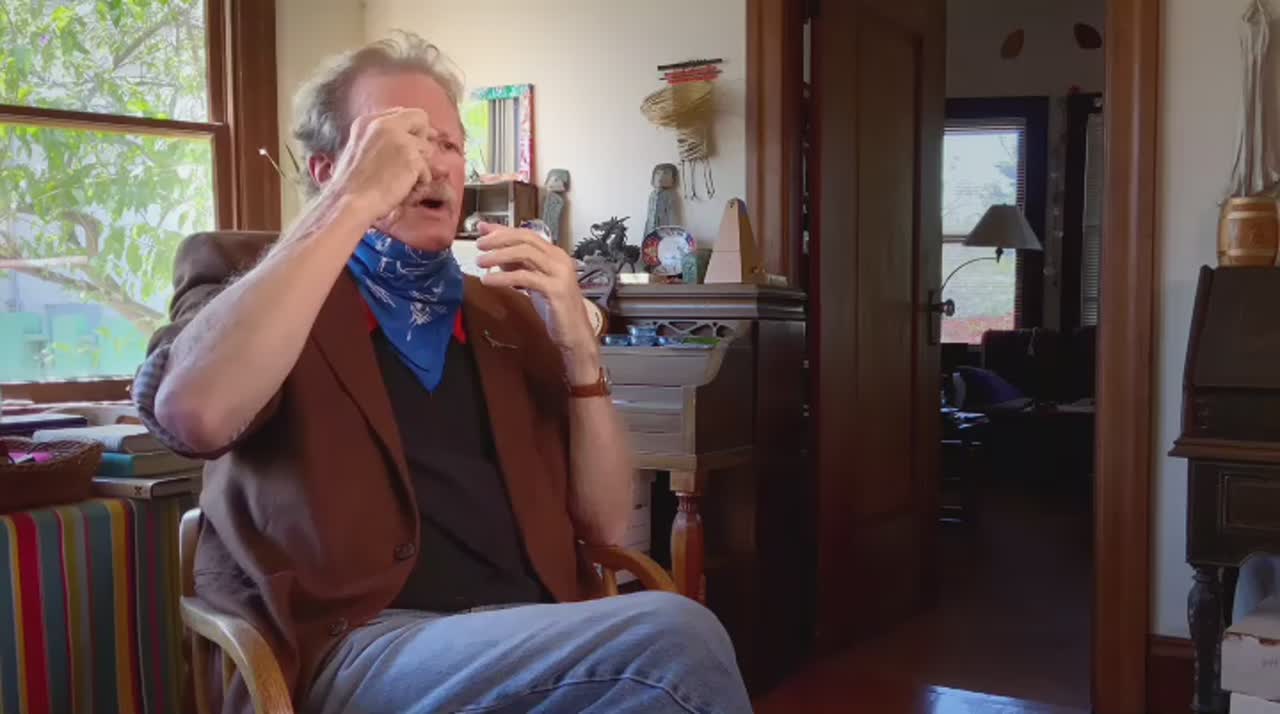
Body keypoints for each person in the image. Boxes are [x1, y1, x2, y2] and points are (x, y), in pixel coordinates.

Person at [133, 31, 750, 714]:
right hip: (359, 650)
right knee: (677, 639)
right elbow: (195, 414)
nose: (432, 165)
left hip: (530, 639)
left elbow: (604, 526)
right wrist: (349, 205)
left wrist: (579, 347)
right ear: (329, 169)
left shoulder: (505, 313)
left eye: (449, 145)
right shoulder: (249, 286)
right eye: (398, 141)